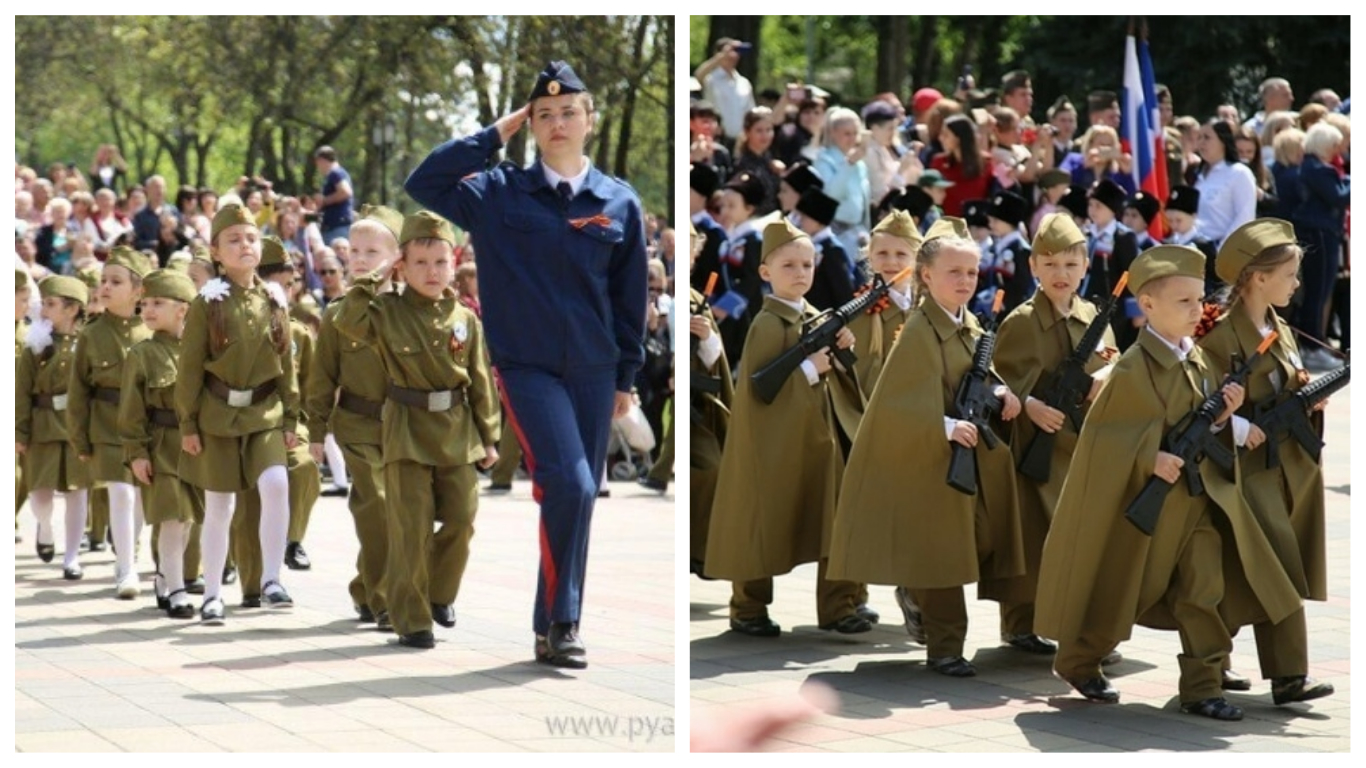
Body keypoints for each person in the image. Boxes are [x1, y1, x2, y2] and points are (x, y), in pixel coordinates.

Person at [404, 61, 647, 668]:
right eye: (544, 114)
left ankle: (555, 623)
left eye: (569, 112)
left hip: (593, 369)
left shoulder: (618, 201)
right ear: (530, 124)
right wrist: (495, 134)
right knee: (571, 481)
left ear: (590, 120)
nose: (557, 122)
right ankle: (562, 621)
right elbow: (424, 183)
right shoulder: (498, 190)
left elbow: (629, 293)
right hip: (527, 366)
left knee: (582, 496)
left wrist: (626, 377)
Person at [1034, 244, 1301, 719]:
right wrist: (1147, 457)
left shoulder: (1196, 360)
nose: (1197, 310)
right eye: (1184, 302)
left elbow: (1197, 419)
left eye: (1199, 301)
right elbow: (1101, 436)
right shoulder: (1134, 367)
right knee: (1123, 589)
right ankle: (1079, 659)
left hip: (1195, 499)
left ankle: (1202, 687)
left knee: (1205, 590)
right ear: (1149, 306)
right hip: (1147, 506)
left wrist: (1224, 415)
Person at [829, 222, 1025, 675]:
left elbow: (977, 375)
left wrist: (1003, 393)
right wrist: (945, 426)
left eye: (972, 273)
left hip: (966, 454)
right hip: (931, 457)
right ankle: (945, 647)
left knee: (970, 541)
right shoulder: (919, 330)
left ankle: (916, 592)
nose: (964, 281)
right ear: (925, 276)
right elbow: (897, 402)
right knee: (944, 552)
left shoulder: (968, 323)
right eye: (953, 272)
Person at [331, 211, 499, 648]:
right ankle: (413, 620)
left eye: (441, 263)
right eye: (420, 263)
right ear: (401, 266)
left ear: (453, 262)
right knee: (411, 528)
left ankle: (440, 594)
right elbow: (347, 322)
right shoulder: (386, 311)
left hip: (457, 430)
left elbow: (480, 379)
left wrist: (489, 436)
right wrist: (373, 278)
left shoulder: (464, 317)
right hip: (405, 428)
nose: (432, 272)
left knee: (462, 519)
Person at [704, 219, 868, 638]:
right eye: (789, 265)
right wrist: (808, 370)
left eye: (807, 265)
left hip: (817, 438)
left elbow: (842, 377)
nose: (800, 273)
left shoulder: (816, 316)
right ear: (765, 273)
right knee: (763, 517)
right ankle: (748, 607)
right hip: (775, 445)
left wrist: (844, 352)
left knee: (832, 518)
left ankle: (838, 606)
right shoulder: (766, 324)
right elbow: (758, 391)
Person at [1198, 219, 1335, 706]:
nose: (1297, 283)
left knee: (1261, 566)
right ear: (1258, 278)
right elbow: (1200, 402)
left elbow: (1289, 383)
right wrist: (1237, 426)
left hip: (1280, 467)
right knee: (1267, 562)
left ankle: (1244, 668)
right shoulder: (1216, 335)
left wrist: (1308, 400)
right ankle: (1283, 674)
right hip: (1236, 470)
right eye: (1289, 274)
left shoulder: (1278, 327)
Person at [993, 213, 1118, 658]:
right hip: (1037, 447)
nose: (1060, 274)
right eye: (1049, 264)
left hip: (1083, 446)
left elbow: (1113, 360)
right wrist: (1027, 404)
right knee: (1033, 537)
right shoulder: (1021, 322)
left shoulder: (1093, 317)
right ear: (1032, 268)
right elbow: (998, 379)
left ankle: (1077, 627)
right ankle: (1021, 623)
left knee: (1080, 541)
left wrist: (1106, 377)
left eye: (1070, 263)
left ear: (1085, 266)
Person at [175, 203, 300, 624]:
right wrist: (187, 423)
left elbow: (286, 365)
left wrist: (291, 419)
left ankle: (271, 579)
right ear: (215, 251)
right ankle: (211, 594)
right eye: (234, 239)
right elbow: (189, 369)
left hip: (265, 412)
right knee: (220, 506)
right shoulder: (207, 304)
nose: (245, 245)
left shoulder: (274, 299)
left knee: (277, 483)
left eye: (251, 238)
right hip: (217, 415)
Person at [306, 206, 403, 626]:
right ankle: (383, 600)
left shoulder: (410, 309)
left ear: (397, 256)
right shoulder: (338, 312)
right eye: (355, 250)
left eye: (372, 251)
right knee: (376, 505)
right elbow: (322, 378)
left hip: (406, 426)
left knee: (399, 512)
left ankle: (365, 586)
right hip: (357, 425)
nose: (360, 259)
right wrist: (315, 432)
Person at [66, 246, 152, 596]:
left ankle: (131, 549)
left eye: (115, 281)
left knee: (141, 498)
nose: (104, 287)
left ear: (138, 290)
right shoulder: (91, 333)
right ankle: (125, 569)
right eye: (103, 280)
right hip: (106, 425)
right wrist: (79, 439)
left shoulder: (152, 330)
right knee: (121, 492)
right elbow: (78, 392)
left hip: (147, 428)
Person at [119, 269, 203, 618]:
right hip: (160, 444)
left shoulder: (201, 350)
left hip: (197, 448)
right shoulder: (142, 354)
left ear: (183, 309)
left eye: (158, 303)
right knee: (171, 518)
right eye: (144, 304)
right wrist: (136, 453)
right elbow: (130, 411)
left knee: (187, 521)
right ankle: (178, 589)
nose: (148, 311)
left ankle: (165, 579)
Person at [17, 276, 90, 579]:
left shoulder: (88, 341)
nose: (43, 309)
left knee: (77, 492)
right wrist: (19, 432)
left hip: (77, 427)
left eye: (51, 304)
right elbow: (21, 391)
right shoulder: (35, 342)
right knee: (41, 496)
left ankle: (72, 557)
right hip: (43, 425)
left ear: (72, 309)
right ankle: (45, 528)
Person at [688, 224, 733, 578]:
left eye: (692, 249)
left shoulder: (695, 299)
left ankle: (702, 552)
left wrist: (704, 339)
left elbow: (715, 358)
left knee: (712, 467)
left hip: (696, 406)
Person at [1290, 122, 1350, 358]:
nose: (1339, 148)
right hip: (1320, 233)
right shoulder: (1317, 168)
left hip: (1321, 232)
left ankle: (1312, 343)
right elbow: (1338, 197)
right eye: (1335, 143)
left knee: (1320, 292)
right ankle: (1311, 345)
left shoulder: (1311, 166)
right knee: (1318, 292)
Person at [1084, 179, 1140, 348]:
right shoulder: (1086, 235)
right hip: (1088, 301)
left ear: (1112, 210)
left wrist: (1135, 311)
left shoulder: (1122, 237)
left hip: (1115, 308)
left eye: (1098, 206)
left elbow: (1131, 274)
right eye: (1091, 205)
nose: (1093, 210)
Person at [813, 107, 872, 259]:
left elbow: (863, 203)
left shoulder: (860, 164)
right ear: (833, 133)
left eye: (855, 133)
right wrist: (848, 164)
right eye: (847, 134)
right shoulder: (823, 161)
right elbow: (830, 196)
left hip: (858, 232)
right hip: (835, 231)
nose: (852, 138)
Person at [1194, 119, 1258, 246]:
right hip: (1196, 250)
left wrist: (1221, 250)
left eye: (1207, 137)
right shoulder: (1198, 175)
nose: (1201, 142)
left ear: (1223, 141)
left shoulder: (1239, 173)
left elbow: (1245, 217)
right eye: (1199, 137)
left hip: (1224, 252)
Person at [793, 187, 855, 312]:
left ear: (818, 221)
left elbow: (844, 295)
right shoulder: (809, 245)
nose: (800, 221)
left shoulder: (832, 250)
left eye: (805, 217)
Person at [695, 38, 757, 145]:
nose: (734, 56)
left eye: (737, 52)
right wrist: (721, 56)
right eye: (731, 51)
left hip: (740, 141)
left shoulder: (744, 83)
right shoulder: (711, 79)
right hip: (716, 138)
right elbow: (698, 75)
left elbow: (751, 113)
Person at [980, 190, 1033, 313]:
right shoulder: (999, 246)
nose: (991, 224)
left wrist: (998, 304)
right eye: (990, 219)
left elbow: (1018, 288)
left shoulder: (1020, 250)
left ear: (1010, 221)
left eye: (996, 221)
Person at [930, 114, 990, 217]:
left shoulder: (986, 163)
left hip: (976, 225)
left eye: (946, 134)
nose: (940, 138)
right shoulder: (939, 162)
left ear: (959, 138)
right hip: (945, 225)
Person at [1163, 186, 1219, 293]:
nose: (1174, 225)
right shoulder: (1167, 243)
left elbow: (1216, 277)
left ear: (1193, 216)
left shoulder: (1204, 244)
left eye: (1179, 220)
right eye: (1170, 220)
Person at [314, 147, 355, 245]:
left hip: (337, 226)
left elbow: (346, 192)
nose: (318, 167)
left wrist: (324, 200)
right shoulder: (339, 173)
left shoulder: (335, 173)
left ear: (322, 160)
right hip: (337, 225)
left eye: (318, 163)